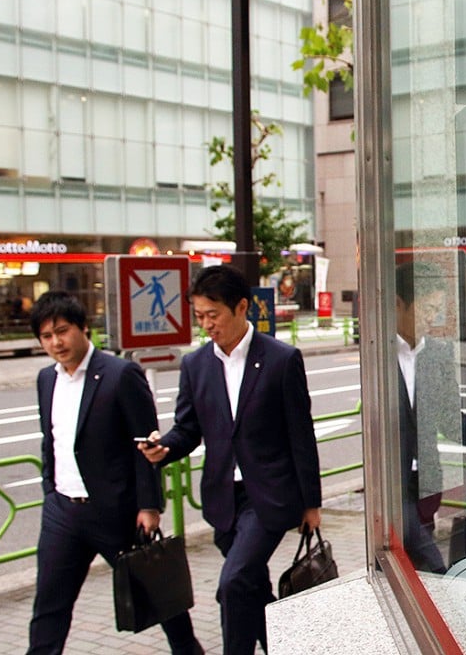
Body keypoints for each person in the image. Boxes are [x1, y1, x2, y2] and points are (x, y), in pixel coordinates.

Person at [139, 264, 321, 655]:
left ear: (241, 307)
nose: (207, 325)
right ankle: (288, 646)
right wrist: (164, 448)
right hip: (222, 500)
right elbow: (187, 429)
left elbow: (301, 435)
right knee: (250, 588)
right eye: (199, 316)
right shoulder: (195, 365)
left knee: (233, 583)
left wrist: (312, 503)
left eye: (213, 314)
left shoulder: (281, 359)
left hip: (268, 496)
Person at [26, 291, 201, 655]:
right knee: (49, 606)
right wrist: (49, 490)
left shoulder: (120, 374)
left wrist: (149, 506)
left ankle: (188, 650)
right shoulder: (46, 380)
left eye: (63, 331)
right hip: (62, 511)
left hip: (116, 510)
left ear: (83, 328)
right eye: (46, 336)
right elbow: (51, 440)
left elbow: (145, 443)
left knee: (157, 593)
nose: (56, 342)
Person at [395, 261, 465, 573]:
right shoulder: (379, 354)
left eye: (436, 309)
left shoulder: (437, 353)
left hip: (426, 483)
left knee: (417, 572)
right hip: (391, 486)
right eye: (426, 308)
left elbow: (449, 420)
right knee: (428, 563)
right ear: (399, 304)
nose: (431, 317)